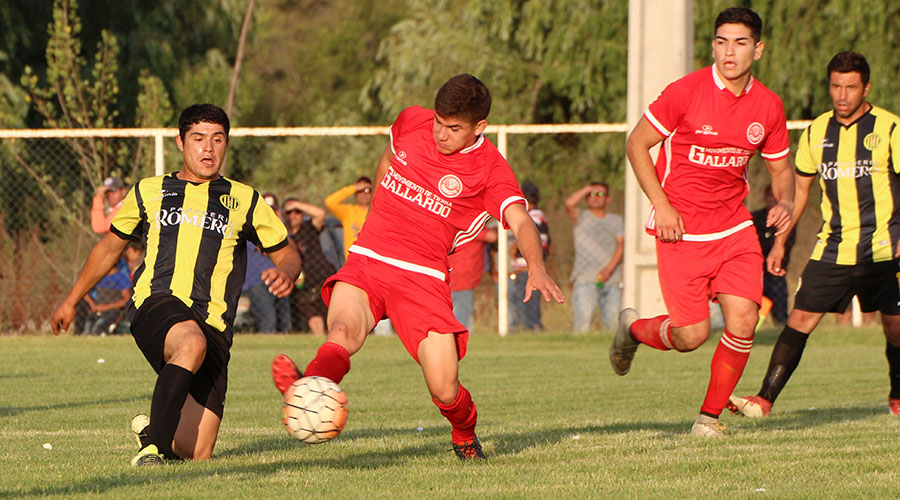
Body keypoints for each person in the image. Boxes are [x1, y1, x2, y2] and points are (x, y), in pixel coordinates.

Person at [271, 74, 565, 460]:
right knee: (343, 330)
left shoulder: (491, 170)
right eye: (439, 123)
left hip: (423, 277)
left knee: (445, 389)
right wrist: (376, 208)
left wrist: (537, 267)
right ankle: (308, 388)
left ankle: (464, 433)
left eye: (454, 128)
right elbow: (389, 156)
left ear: (480, 127)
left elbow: (521, 220)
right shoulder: (412, 120)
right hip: (371, 257)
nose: (441, 134)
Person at [50, 103, 301, 466]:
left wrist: (288, 273)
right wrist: (71, 300)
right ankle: (150, 450)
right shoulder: (150, 191)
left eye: (217, 139)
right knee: (189, 341)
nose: (208, 148)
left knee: (195, 452)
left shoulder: (244, 199)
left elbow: (287, 254)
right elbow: (108, 248)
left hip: (214, 323)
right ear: (181, 143)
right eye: (199, 139)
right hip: (157, 300)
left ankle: (156, 431)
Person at [610, 7, 794, 437]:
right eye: (721, 41)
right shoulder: (686, 91)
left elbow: (782, 171)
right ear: (713, 45)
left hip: (734, 227)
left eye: (740, 43)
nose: (729, 52)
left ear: (758, 49)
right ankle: (633, 330)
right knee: (692, 335)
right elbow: (637, 144)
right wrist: (663, 205)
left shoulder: (768, 105)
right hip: (682, 229)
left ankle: (707, 421)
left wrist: (784, 201)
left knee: (744, 319)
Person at [728, 52, 900, 418]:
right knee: (799, 321)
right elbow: (799, 194)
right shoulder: (817, 131)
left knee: (895, 326)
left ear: (865, 88)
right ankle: (763, 400)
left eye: (851, 87)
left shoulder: (889, 128)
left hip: (885, 247)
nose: (842, 94)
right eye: (836, 86)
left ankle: (898, 394)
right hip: (833, 249)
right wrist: (779, 242)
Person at [565, 181, 624, 332]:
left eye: (600, 194)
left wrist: (608, 270)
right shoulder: (581, 217)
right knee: (582, 325)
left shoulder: (616, 220)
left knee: (612, 326)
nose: (595, 197)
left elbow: (621, 245)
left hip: (612, 279)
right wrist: (587, 188)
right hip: (585, 278)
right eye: (591, 195)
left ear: (608, 199)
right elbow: (569, 203)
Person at [283, 197, 335, 335]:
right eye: (289, 212)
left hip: (322, 276)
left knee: (331, 315)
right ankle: (319, 342)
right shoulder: (283, 235)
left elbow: (320, 213)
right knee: (312, 313)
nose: (293, 215)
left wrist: (297, 204)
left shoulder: (309, 227)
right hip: (303, 283)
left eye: (297, 212)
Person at [508, 182, 551, 331]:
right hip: (527, 269)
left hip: (527, 269)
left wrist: (515, 247)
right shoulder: (539, 216)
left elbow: (530, 236)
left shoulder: (532, 217)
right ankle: (532, 329)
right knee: (528, 305)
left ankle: (533, 330)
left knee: (528, 307)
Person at [751, 184, 795, 326]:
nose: (772, 200)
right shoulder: (755, 218)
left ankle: (779, 330)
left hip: (776, 273)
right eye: (769, 196)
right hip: (756, 272)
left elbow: (788, 244)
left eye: (775, 197)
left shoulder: (787, 220)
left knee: (781, 316)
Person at [448, 224, 497, 330]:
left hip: (449, 277)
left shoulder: (451, 226)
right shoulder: (470, 227)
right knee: (462, 317)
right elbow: (492, 237)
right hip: (463, 280)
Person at [243, 242, 292, 333]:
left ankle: (284, 345)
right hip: (257, 282)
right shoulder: (248, 234)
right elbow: (263, 247)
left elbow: (290, 247)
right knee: (269, 321)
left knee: (285, 323)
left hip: (279, 280)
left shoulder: (277, 230)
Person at [325, 176, 372, 257]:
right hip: (352, 261)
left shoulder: (377, 212)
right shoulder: (348, 212)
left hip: (371, 261)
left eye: (367, 190)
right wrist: (354, 188)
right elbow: (329, 202)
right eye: (360, 191)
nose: (364, 194)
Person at [83, 264, 131, 335]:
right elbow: (83, 291)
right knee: (88, 325)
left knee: (98, 326)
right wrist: (93, 305)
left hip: (113, 312)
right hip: (97, 310)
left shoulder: (121, 278)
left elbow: (127, 300)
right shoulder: (97, 276)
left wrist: (105, 307)